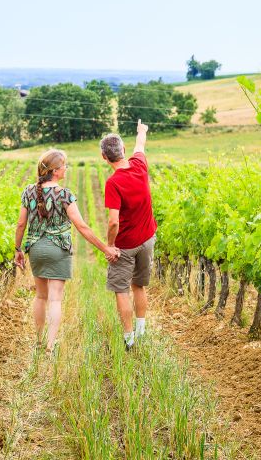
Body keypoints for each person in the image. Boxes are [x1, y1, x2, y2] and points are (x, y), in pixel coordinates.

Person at [14, 149, 119, 354]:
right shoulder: (65, 195)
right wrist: (105, 247)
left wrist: (18, 249)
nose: (67, 169)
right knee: (55, 299)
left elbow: (20, 224)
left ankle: (38, 340)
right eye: (64, 166)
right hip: (59, 249)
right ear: (55, 171)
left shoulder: (28, 191)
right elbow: (82, 227)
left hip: (35, 248)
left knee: (40, 296)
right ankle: (50, 346)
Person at [100, 120, 157, 351]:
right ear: (123, 151)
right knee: (139, 286)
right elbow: (140, 145)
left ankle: (129, 338)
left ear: (104, 158)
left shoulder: (113, 183)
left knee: (121, 290)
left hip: (124, 246)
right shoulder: (139, 165)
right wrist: (141, 130)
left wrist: (110, 245)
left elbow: (114, 221)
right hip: (147, 240)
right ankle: (141, 330)